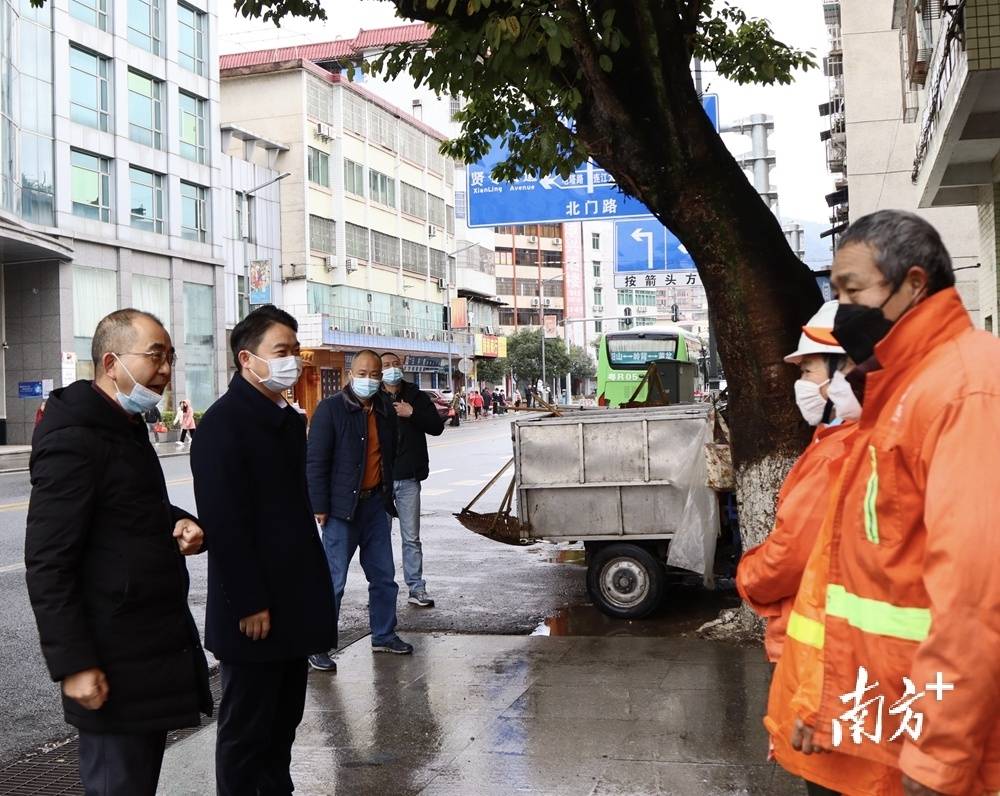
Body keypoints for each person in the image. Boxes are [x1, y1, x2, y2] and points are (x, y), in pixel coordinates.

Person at [770, 210, 1000, 796]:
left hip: (923, 746)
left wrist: (936, 757)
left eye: (853, 289)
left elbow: (974, 592)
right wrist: (824, 706)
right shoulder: (901, 394)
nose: (843, 309)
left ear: (914, 284)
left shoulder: (965, 388)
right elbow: (854, 583)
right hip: (880, 724)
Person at [25, 309, 211, 796]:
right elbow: (48, 561)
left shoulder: (123, 427)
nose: (166, 369)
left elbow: (128, 504)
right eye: (155, 356)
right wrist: (74, 664)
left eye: (170, 357)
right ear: (112, 362)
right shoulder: (74, 438)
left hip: (144, 648)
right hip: (111, 657)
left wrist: (181, 522)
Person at [190, 305, 336, 796]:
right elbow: (225, 524)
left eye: (295, 351)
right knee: (246, 730)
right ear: (247, 358)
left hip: (292, 598)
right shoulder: (223, 425)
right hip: (254, 609)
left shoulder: (287, 420)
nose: (292, 360)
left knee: (283, 721)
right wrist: (249, 602)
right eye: (282, 351)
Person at [735, 301, 868, 795]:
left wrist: (747, 575)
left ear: (847, 369)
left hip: (826, 670)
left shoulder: (838, 452)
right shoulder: (873, 438)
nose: (802, 383)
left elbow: (788, 556)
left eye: (809, 369)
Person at [307, 349, 413, 670]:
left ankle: (383, 635)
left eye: (374, 374)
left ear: (381, 377)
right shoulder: (329, 410)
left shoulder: (384, 409)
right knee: (333, 582)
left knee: (384, 577)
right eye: (362, 373)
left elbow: (389, 455)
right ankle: (318, 645)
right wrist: (320, 507)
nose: (368, 379)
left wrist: (386, 499)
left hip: (375, 507)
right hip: (341, 511)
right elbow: (315, 462)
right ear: (350, 375)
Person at [380, 351, 445, 608]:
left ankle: (416, 588)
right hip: (380, 479)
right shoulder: (373, 397)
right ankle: (382, 591)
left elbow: (437, 427)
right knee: (379, 539)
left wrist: (412, 413)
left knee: (411, 538)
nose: (391, 368)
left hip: (408, 478)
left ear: (402, 365)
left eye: (395, 364)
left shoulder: (416, 395)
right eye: (385, 365)